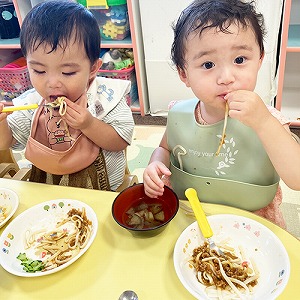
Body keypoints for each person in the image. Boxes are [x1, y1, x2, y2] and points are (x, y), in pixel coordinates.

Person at [143, 0, 297, 228]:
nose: (226, 77)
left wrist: (264, 123)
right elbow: (165, 148)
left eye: (239, 60)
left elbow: (297, 178)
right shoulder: (181, 115)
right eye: (207, 65)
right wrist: (155, 164)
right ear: (184, 74)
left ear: (260, 60)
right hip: (193, 216)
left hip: (254, 224)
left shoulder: (270, 120)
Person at [0, 1, 134, 191]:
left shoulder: (105, 98)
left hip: (102, 191)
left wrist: (88, 124)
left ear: (93, 69)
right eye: (39, 70)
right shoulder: (34, 102)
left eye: (68, 72)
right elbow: (6, 142)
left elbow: (120, 141)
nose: (52, 83)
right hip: (47, 188)